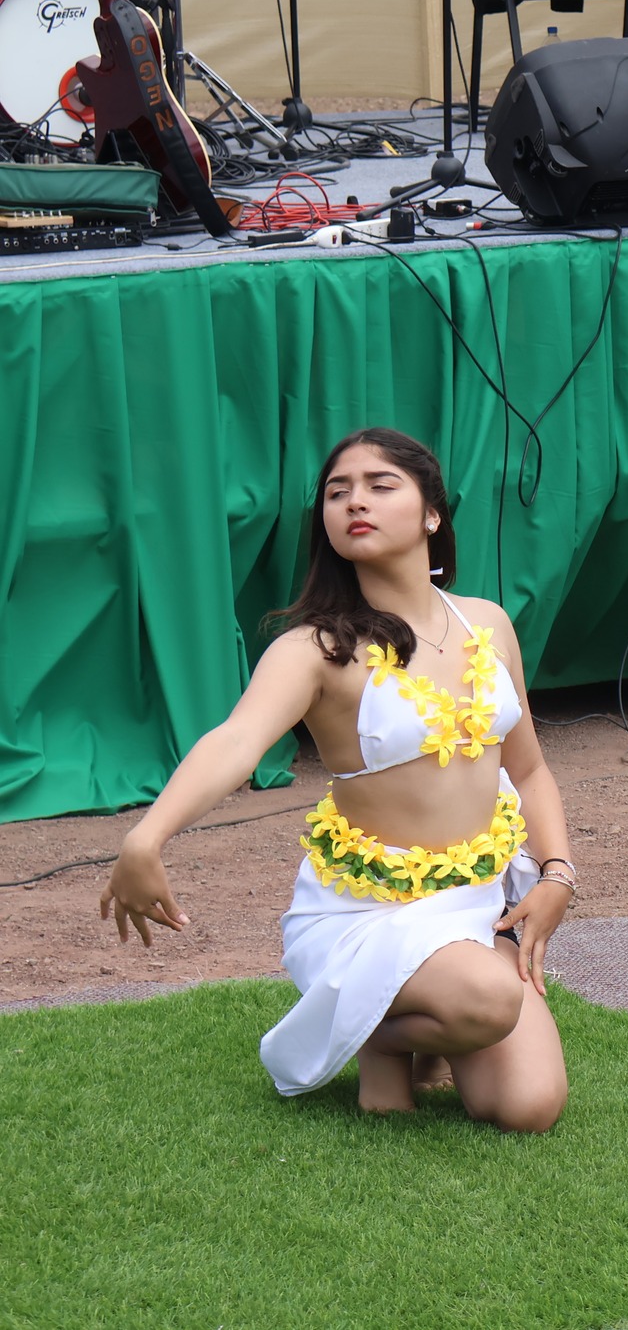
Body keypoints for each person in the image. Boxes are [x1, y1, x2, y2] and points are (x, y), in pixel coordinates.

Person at [100, 428, 574, 1129]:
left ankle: (400, 1025)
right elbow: (235, 742)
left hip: (473, 904)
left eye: (382, 485)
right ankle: (382, 1042)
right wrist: (147, 838)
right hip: (366, 915)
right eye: (337, 490)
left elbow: (527, 767)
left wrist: (558, 873)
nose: (356, 499)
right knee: (489, 1000)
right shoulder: (317, 649)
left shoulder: (488, 625)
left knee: (528, 1106)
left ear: (432, 513)